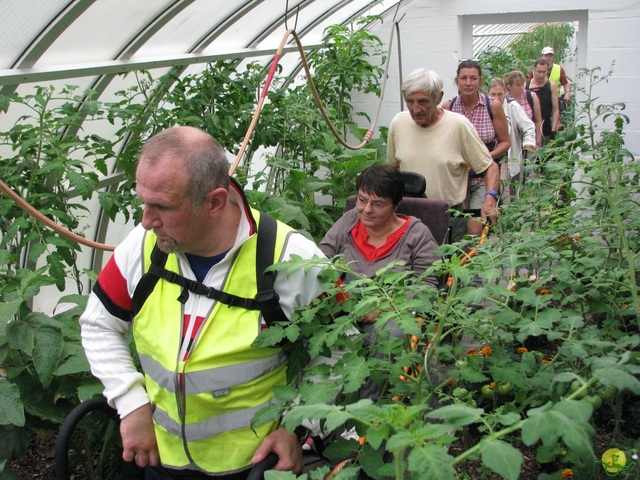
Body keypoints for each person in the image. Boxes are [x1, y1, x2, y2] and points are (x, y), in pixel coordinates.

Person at [79, 126, 327, 480]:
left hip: (253, 465)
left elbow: (339, 348)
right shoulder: (143, 248)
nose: (146, 220)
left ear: (214, 202)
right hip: (162, 462)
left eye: (162, 206)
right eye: (143, 201)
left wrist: (297, 429)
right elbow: (98, 324)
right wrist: (131, 404)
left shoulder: (292, 259)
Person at [386, 68, 500, 243]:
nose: (416, 109)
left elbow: (489, 166)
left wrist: (490, 198)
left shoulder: (458, 125)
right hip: (408, 218)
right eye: (410, 101)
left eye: (423, 102)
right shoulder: (399, 123)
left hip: (449, 217)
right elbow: (392, 169)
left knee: (449, 268)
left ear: (438, 98)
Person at [320, 163, 440, 288]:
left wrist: (386, 306)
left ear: (396, 205)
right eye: (362, 200)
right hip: (343, 304)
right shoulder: (350, 220)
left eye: (378, 204)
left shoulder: (417, 235)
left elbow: (426, 286)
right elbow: (321, 259)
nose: (367, 210)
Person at [442, 59, 510, 236]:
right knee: (456, 228)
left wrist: (484, 158)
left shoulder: (492, 106)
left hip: (482, 177)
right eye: (463, 78)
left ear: (480, 81)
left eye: (473, 78)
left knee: (475, 229)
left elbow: (505, 142)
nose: (468, 83)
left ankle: (475, 260)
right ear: (456, 81)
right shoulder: (449, 108)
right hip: (457, 178)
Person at [487, 78, 536, 202]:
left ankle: (506, 218)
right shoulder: (486, 107)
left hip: (506, 158)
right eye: (493, 94)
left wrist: (528, 143)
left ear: (505, 93)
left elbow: (529, 126)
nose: (497, 98)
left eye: (500, 94)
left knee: (506, 192)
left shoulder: (512, 106)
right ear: (488, 94)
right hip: (488, 156)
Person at [504, 70, 542, 148]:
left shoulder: (531, 96)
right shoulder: (505, 100)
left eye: (522, 84)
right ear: (509, 87)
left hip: (530, 141)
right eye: (518, 85)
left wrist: (538, 142)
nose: (522, 88)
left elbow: (538, 121)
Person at [526, 58, 560, 146]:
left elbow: (556, 110)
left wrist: (553, 130)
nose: (541, 75)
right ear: (533, 70)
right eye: (539, 71)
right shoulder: (526, 85)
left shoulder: (551, 86)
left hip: (545, 129)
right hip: (529, 129)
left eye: (544, 72)